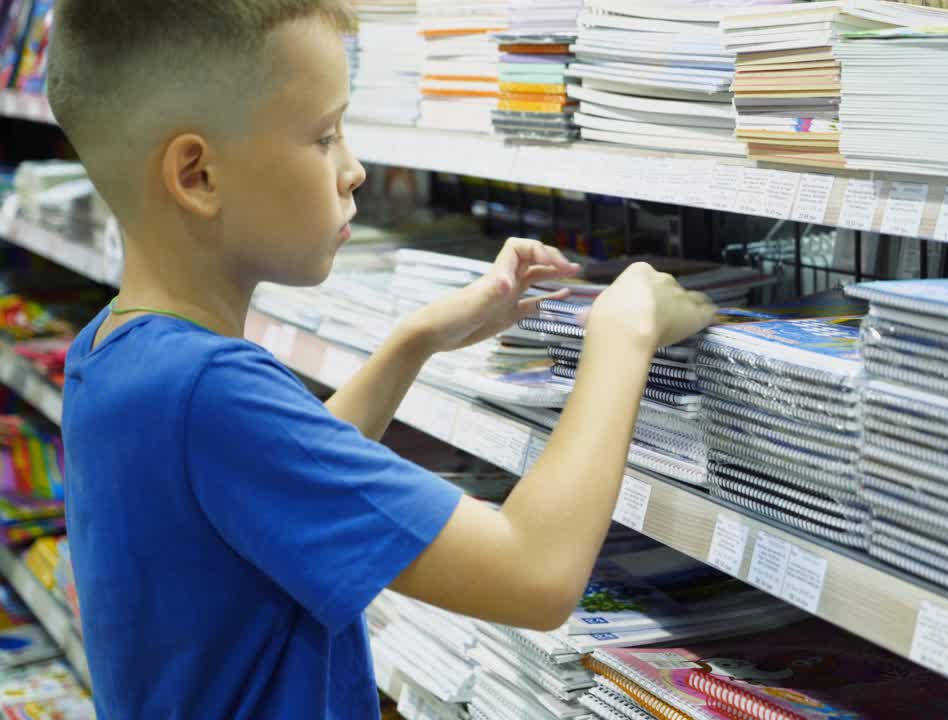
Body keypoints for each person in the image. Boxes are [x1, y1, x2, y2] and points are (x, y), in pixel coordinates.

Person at [45, 1, 716, 717]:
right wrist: (622, 329)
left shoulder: (112, 352)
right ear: (198, 175)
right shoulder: (210, 391)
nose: (354, 169)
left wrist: (414, 339)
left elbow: (272, 483)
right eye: (324, 135)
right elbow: (537, 573)